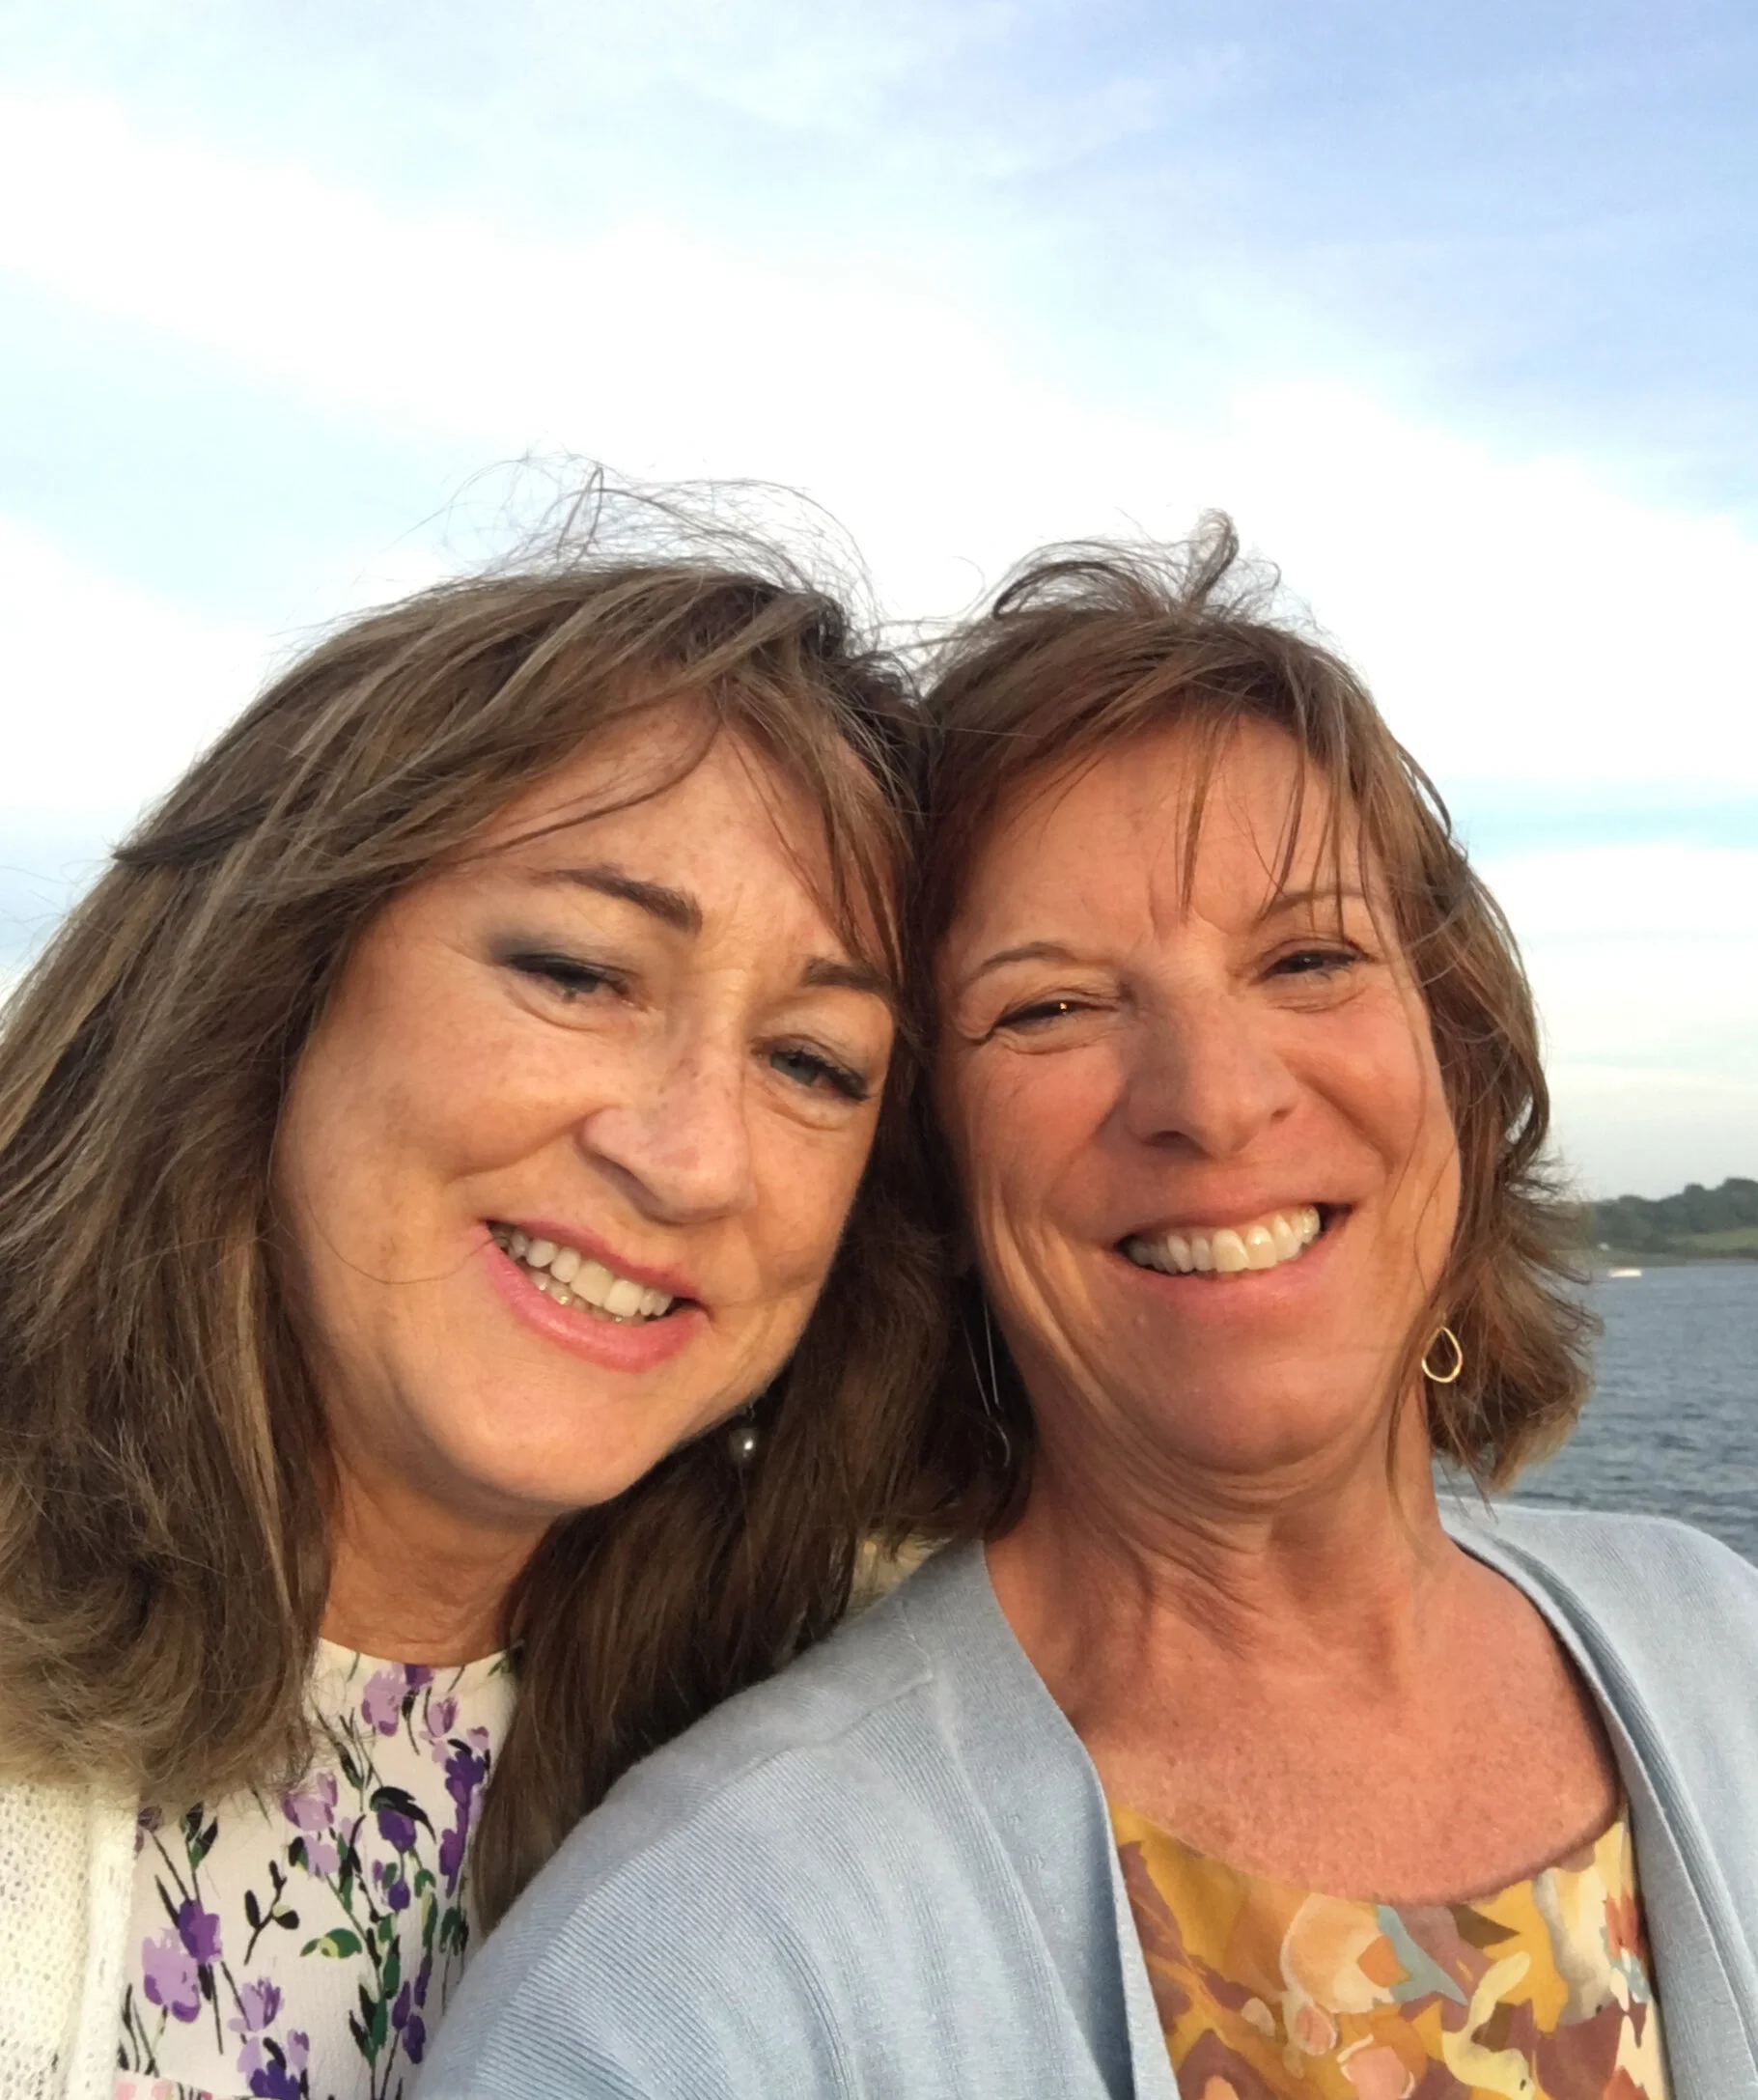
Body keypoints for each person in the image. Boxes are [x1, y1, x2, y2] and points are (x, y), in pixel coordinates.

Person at [421, 521, 1758, 2100]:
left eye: (1309, 958)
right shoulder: (690, 1981)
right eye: (1049, 1005)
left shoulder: (1720, 1640)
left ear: (1456, 1065)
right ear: (927, 1165)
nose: (1214, 1096)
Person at [0, 517, 942, 2100]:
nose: (692, 1158)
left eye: (810, 1062)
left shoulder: (858, 1745)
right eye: (579, 971)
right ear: (275, 982)